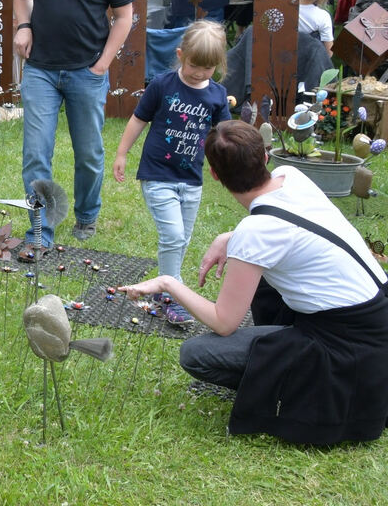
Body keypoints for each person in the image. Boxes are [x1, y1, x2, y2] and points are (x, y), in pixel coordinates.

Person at [121, 120, 388, 446]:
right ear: (265, 158)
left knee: (196, 354)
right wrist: (229, 237)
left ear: (215, 175)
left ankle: (292, 386)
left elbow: (224, 322)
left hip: (344, 346)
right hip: (376, 318)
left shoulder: (256, 231)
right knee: (259, 281)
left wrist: (168, 282)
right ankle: (283, 364)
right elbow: (295, 230)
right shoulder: (294, 178)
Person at [13, 0, 134, 255]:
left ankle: (87, 213)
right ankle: (40, 231)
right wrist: (24, 25)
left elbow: (125, 15)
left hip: (86, 70)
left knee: (90, 154)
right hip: (41, 70)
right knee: (36, 152)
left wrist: (102, 64)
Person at [112, 21, 230, 324]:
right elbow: (138, 119)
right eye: (194, 65)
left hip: (191, 180)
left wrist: (228, 164)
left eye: (208, 68)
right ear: (181, 54)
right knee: (173, 235)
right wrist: (122, 153)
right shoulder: (163, 85)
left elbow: (224, 134)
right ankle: (171, 294)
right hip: (158, 174)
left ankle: (165, 286)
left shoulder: (217, 96)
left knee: (183, 239)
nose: (200, 73)